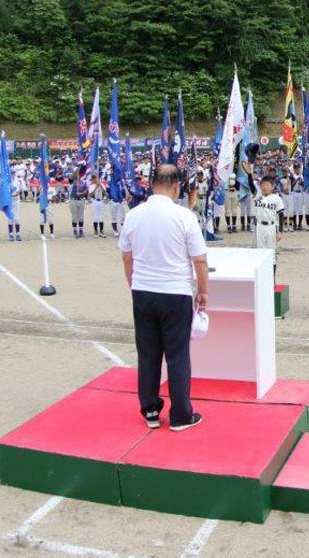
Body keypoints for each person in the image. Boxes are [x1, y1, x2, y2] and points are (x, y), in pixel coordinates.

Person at [118, 164, 207, 432]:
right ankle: (180, 414)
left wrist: (133, 282)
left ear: (150, 183)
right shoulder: (184, 216)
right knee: (177, 355)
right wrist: (203, 291)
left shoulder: (134, 215)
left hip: (144, 290)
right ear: (177, 186)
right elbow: (200, 260)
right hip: (175, 292)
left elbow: (125, 254)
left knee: (148, 354)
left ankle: (151, 410)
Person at [253, 175, 285, 279]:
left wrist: (280, 231)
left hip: (271, 227)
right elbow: (250, 185)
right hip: (259, 227)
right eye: (263, 185)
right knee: (260, 253)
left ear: (272, 186)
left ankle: (271, 279)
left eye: (267, 185)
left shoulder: (276, 198)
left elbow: (281, 215)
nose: (264, 187)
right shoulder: (258, 195)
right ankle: (262, 278)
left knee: (271, 254)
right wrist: (249, 175)